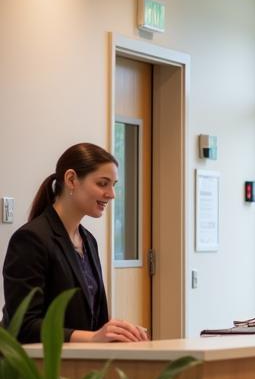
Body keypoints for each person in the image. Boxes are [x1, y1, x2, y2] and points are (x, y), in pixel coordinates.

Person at [2, 143, 148, 343]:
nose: (112, 194)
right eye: (102, 183)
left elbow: (96, 321)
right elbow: (23, 326)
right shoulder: (31, 239)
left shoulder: (88, 241)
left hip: (82, 367)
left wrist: (118, 333)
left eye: (113, 185)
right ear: (71, 179)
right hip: (40, 369)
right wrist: (93, 338)